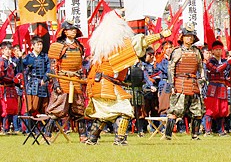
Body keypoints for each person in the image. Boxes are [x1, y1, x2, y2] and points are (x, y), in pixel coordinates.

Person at [84, 11, 170, 146]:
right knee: (124, 111)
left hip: (105, 83)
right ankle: (119, 139)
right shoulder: (116, 46)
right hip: (106, 83)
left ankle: (93, 138)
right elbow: (140, 42)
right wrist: (160, 35)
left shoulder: (106, 47)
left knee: (105, 114)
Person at [47, 20, 87, 142]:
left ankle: (83, 136)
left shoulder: (79, 46)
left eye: (75, 29)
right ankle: (47, 134)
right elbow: (53, 67)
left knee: (79, 109)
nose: (73, 31)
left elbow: (81, 65)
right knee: (57, 108)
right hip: (62, 79)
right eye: (71, 29)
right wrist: (56, 84)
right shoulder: (57, 46)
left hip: (76, 79)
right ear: (64, 31)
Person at [165, 22, 206, 140]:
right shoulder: (177, 51)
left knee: (197, 111)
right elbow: (171, 68)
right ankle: (168, 135)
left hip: (193, 83)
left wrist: (202, 78)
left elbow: (200, 67)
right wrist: (172, 84)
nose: (189, 38)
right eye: (187, 36)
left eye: (191, 36)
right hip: (180, 83)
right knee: (175, 110)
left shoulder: (197, 52)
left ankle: (195, 135)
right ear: (182, 38)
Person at [203, 40, 231, 136]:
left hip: (222, 86)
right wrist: (227, 63)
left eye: (220, 49)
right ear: (212, 51)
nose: (219, 52)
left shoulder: (224, 61)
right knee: (211, 108)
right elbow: (216, 70)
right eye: (217, 50)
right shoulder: (210, 61)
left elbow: (228, 73)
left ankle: (221, 131)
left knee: (222, 109)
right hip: (213, 86)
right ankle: (207, 130)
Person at [23, 37, 51, 116]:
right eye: (38, 45)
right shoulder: (28, 57)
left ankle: (43, 127)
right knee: (31, 108)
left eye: (41, 44)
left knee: (44, 108)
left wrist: (45, 79)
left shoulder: (45, 57)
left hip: (43, 84)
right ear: (33, 46)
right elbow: (23, 71)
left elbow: (49, 69)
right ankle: (29, 128)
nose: (40, 46)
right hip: (32, 85)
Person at [0, 42, 19, 134]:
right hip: (4, 87)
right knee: (5, 108)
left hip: (11, 87)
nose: (8, 51)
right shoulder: (1, 61)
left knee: (13, 108)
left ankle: (11, 127)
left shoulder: (11, 62)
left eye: (9, 49)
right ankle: (4, 128)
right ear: (2, 50)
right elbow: (1, 76)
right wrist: (12, 80)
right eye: (6, 49)